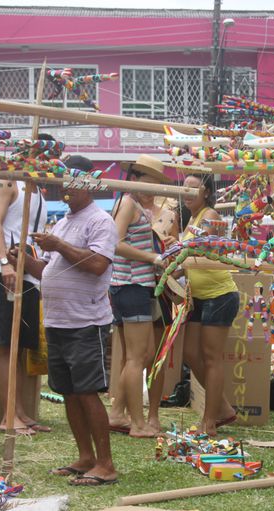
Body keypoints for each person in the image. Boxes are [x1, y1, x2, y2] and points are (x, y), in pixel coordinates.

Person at [13, 155, 119, 486]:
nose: (64, 188)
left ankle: (105, 463)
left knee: (87, 392)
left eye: (70, 182)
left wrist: (59, 245)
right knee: (69, 393)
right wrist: (23, 259)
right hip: (58, 321)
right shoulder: (62, 222)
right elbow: (45, 271)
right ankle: (86, 456)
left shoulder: (100, 221)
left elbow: (99, 264)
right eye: (62, 182)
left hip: (86, 321)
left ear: (86, 183)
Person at [105, 155, 169, 438]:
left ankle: (118, 413)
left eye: (157, 184)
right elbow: (115, 244)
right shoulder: (129, 203)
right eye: (150, 182)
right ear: (136, 179)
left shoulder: (130, 204)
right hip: (131, 285)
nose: (154, 189)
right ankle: (138, 423)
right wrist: (153, 258)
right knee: (137, 357)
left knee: (137, 355)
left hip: (129, 286)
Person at [0, 172, 47, 436]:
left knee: (20, 346)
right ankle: (8, 416)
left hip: (30, 274)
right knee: (5, 345)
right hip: (6, 272)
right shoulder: (6, 181)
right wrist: (4, 262)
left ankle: (19, 411)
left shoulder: (40, 192)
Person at [180, 173, 238, 435]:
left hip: (220, 294)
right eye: (184, 187)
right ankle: (223, 409)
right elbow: (187, 258)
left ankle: (209, 421)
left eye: (193, 188)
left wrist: (176, 250)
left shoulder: (211, 216)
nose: (187, 192)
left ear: (206, 191)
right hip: (199, 296)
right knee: (191, 354)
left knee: (212, 358)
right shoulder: (192, 218)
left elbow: (203, 249)